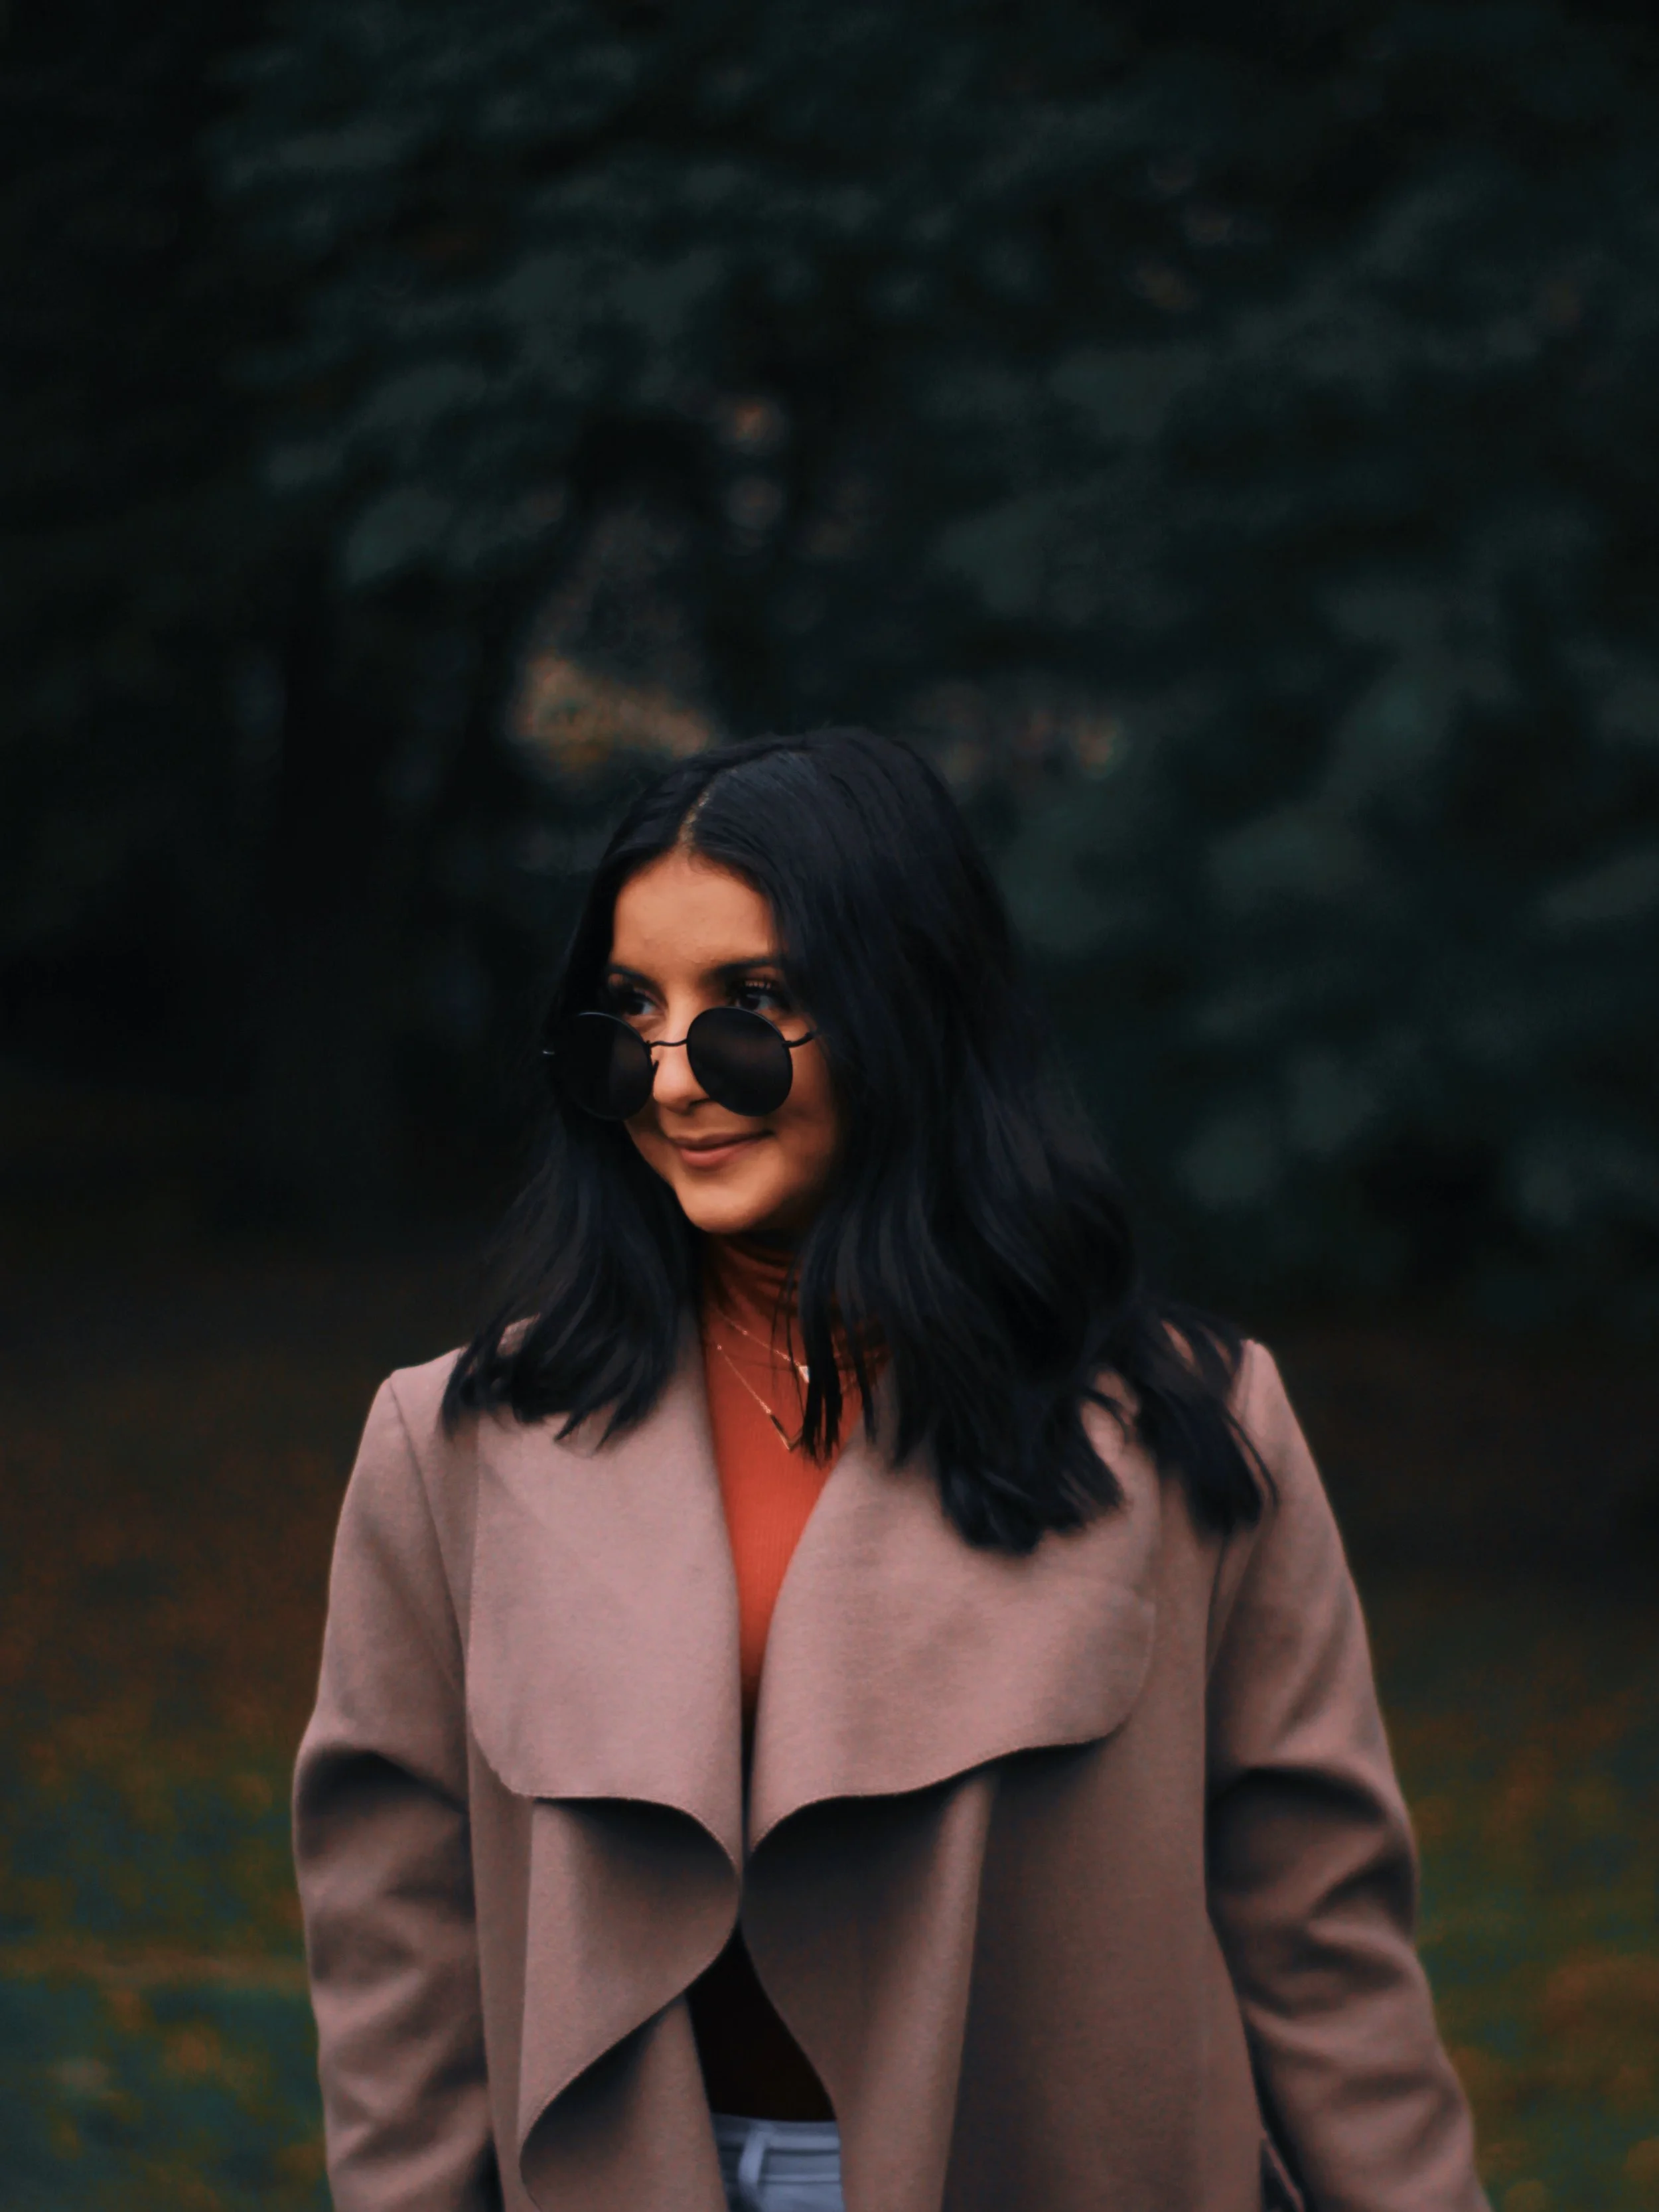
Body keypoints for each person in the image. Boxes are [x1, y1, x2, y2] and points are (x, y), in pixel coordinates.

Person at [293, 729, 1489, 2212]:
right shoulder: (453, 1448)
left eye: (750, 1008)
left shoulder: (1186, 1427)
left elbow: (1322, 1947)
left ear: (907, 1012)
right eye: (625, 1019)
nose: (672, 1080)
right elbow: (397, 1963)